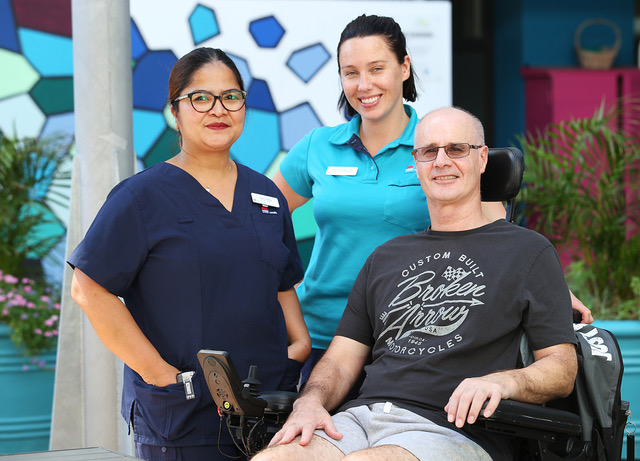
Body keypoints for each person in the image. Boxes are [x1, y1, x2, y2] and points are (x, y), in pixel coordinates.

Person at [273, 14, 592, 389]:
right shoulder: (318, 147)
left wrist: (549, 289)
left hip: (408, 339)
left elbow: (500, 241)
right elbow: (259, 217)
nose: (364, 85)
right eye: (350, 73)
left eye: (377, 68)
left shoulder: (440, 149)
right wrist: (281, 296)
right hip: (324, 338)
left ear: (404, 67)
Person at [253, 107, 579, 461]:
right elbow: (341, 360)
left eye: (456, 149)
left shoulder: (528, 251)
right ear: (416, 163)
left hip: (454, 430)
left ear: (482, 158)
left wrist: (505, 382)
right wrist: (310, 402)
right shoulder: (386, 256)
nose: (441, 161)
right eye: (428, 152)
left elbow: (562, 368)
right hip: (360, 420)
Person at [68, 47, 311, 461]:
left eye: (231, 97)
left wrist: (300, 344)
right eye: (201, 98)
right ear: (175, 111)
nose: (218, 109)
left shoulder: (266, 195)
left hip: (271, 415)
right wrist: (161, 376)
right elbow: (89, 289)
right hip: (184, 420)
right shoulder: (141, 197)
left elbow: (282, 281)